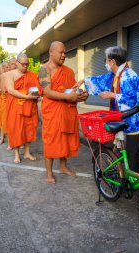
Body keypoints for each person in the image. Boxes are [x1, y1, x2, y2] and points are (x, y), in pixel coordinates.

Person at [81, 46, 139, 173]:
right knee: (133, 152)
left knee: (132, 153)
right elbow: (103, 79)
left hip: (135, 120)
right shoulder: (118, 74)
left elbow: (131, 100)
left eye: (106, 60)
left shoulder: (127, 76)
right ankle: (135, 175)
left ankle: (133, 178)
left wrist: (111, 95)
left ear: (112, 61)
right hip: (129, 118)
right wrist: (84, 80)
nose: (105, 63)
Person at [39, 41, 89, 184]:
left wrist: (81, 95)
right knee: (50, 142)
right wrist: (68, 96)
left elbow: (73, 90)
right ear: (51, 52)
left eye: (65, 52)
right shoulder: (44, 69)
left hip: (67, 111)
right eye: (60, 52)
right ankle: (49, 173)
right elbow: (47, 92)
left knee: (65, 140)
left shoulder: (68, 71)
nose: (63, 55)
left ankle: (63, 166)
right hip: (52, 112)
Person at [5, 53, 41, 163]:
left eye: (27, 64)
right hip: (15, 106)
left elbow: (38, 88)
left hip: (30, 106)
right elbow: (11, 90)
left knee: (29, 129)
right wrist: (27, 96)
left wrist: (37, 94)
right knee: (16, 129)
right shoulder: (10, 74)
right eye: (23, 64)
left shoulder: (33, 75)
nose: (25, 67)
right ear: (17, 63)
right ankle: (16, 154)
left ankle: (27, 152)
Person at [0, 62, 10, 149]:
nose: (8, 68)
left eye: (9, 66)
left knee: (13, 122)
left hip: (13, 100)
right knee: (4, 121)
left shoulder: (13, 74)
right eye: (6, 67)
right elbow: (1, 89)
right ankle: (3, 138)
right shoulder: (2, 76)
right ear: (3, 68)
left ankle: (16, 141)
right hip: (5, 100)